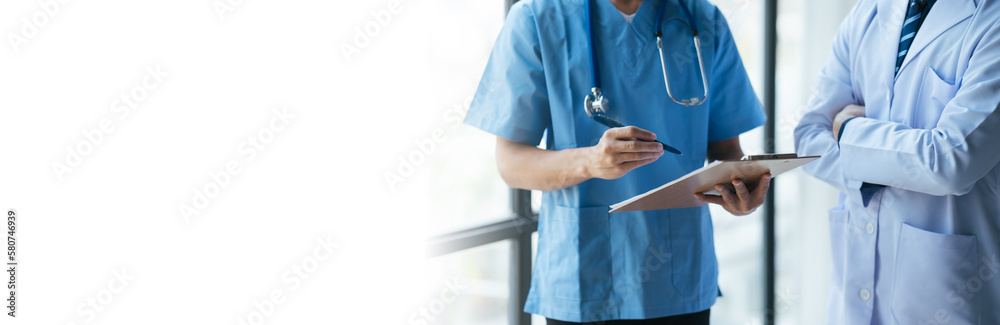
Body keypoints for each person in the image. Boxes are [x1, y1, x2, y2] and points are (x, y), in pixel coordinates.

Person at [464, 0, 770, 323]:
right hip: (583, 281)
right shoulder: (539, 17)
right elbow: (511, 163)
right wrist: (590, 162)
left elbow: (726, 152)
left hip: (679, 276)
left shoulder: (703, 18)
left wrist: (741, 189)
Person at [794, 0, 1000, 323]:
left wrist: (847, 130)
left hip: (946, 296)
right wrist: (892, 166)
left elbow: (950, 162)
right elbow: (807, 137)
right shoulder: (868, 12)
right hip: (853, 296)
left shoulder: (992, 21)